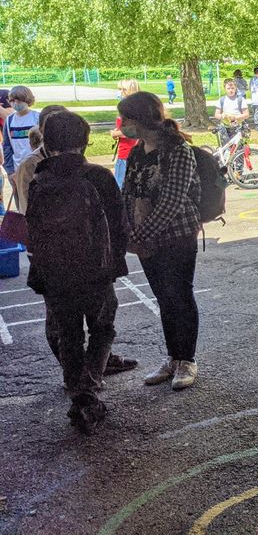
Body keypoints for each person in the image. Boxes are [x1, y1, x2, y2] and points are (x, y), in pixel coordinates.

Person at [25, 111, 129, 434]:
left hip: (55, 274)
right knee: (102, 328)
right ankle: (89, 389)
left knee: (68, 335)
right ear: (85, 141)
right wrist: (114, 262)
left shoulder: (40, 180)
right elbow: (119, 225)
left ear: (48, 142)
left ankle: (76, 392)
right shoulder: (99, 177)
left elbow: (33, 229)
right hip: (96, 271)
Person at [119, 92, 202, 391]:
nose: (122, 124)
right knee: (163, 298)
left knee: (180, 295)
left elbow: (172, 202)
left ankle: (187, 360)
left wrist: (139, 236)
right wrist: (128, 231)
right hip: (145, 239)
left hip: (176, 236)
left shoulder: (178, 151)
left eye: (126, 118)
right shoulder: (137, 151)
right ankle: (172, 358)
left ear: (141, 119)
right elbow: (127, 193)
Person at [2, 85, 41, 209]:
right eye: (12, 100)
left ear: (27, 99)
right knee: (21, 206)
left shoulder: (37, 117)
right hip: (17, 170)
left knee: (37, 204)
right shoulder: (9, 121)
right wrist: (10, 171)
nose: (15, 103)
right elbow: (7, 147)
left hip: (36, 168)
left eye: (18, 100)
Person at [110, 79, 141, 188]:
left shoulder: (131, 110)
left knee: (121, 186)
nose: (120, 92)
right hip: (128, 151)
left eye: (123, 89)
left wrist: (115, 134)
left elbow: (133, 131)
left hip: (127, 153)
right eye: (119, 89)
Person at [214, 78, 250, 147]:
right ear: (225, 89)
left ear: (236, 88)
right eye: (228, 88)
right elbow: (216, 114)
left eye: (232, 88)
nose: (230, 90)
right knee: (226, 149)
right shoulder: (221, 100)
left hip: (238, 128)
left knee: (238, 149)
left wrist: (235, 117)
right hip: (224, 129)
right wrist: (223, 116)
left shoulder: (240, 99)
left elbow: (246, 114)